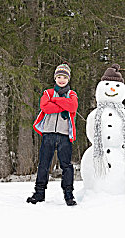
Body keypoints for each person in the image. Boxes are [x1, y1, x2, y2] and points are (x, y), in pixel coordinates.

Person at [27, 62, 78, 206]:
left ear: (68, 79)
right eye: (59, 77)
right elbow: (45, 107)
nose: (62, 80)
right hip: (48, 133)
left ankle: (68, 194)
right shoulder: (47, 93)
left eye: (65, 77)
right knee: (44, 164)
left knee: (66, 166)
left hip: (64, 136)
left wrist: (55, 101)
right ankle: (39, 193)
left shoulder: (72, 94)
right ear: (55, 78)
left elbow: (73, 106)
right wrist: (63, 103)